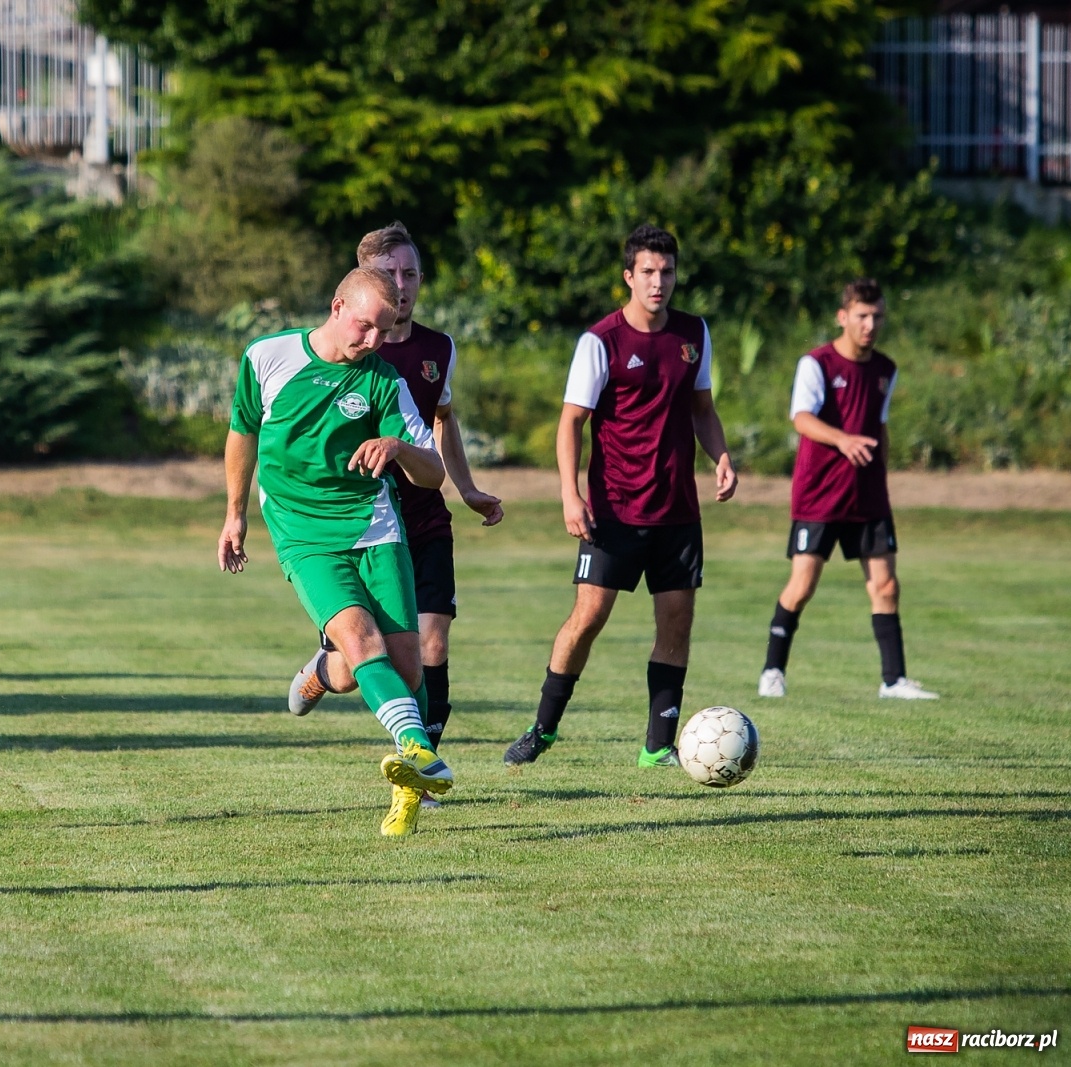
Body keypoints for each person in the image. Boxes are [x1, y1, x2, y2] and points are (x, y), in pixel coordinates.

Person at [219, 267, 453, 834]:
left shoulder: (383, 381)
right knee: (361, 636)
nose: (374, 341)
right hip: (303, 535)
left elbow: (433, 473)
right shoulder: (267, 357)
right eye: (367, 326)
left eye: (386, 329)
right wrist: (235, 514)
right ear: (337, 306)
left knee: (399, 668)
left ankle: (323, 672)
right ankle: (418, 757)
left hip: (375, 529)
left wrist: (396, 444)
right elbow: (242, 433)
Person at [286, 222, 503, 833]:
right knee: (359, 663)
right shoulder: (352, 346)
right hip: (356, 525)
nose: (403, 288)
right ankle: (323, 672)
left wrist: (467, 489)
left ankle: (423, 772)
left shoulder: (438, 347)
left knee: (429, 649)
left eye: (412, 275)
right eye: (393, 276)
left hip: (423, 517)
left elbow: (443, 422)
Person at [504, 225, 737, 769]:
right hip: (612, 508)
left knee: (677, 620)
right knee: (588, 616)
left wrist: (721, 456)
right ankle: (543, 728)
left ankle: (658, 746)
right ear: (629, 276)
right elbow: (571, 423)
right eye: (649, 273)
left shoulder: (693, 334)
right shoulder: (601, 341)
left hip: (677, 510)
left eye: (668, 272)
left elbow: (702, 410)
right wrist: (569, 493)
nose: (659, 283)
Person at [758, 278, 938, 700]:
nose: (870, 324)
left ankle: (893, 681)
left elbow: (881, 426)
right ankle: (772, 671)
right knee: (802, 585)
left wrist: (882, 475)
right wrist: (843, 439)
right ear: (843, 317)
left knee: (886, 585)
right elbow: (801, 418)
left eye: (877, 316)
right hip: (820, 494)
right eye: (861, 315)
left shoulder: (885, 370)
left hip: (868, 495)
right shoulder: (816, 364)